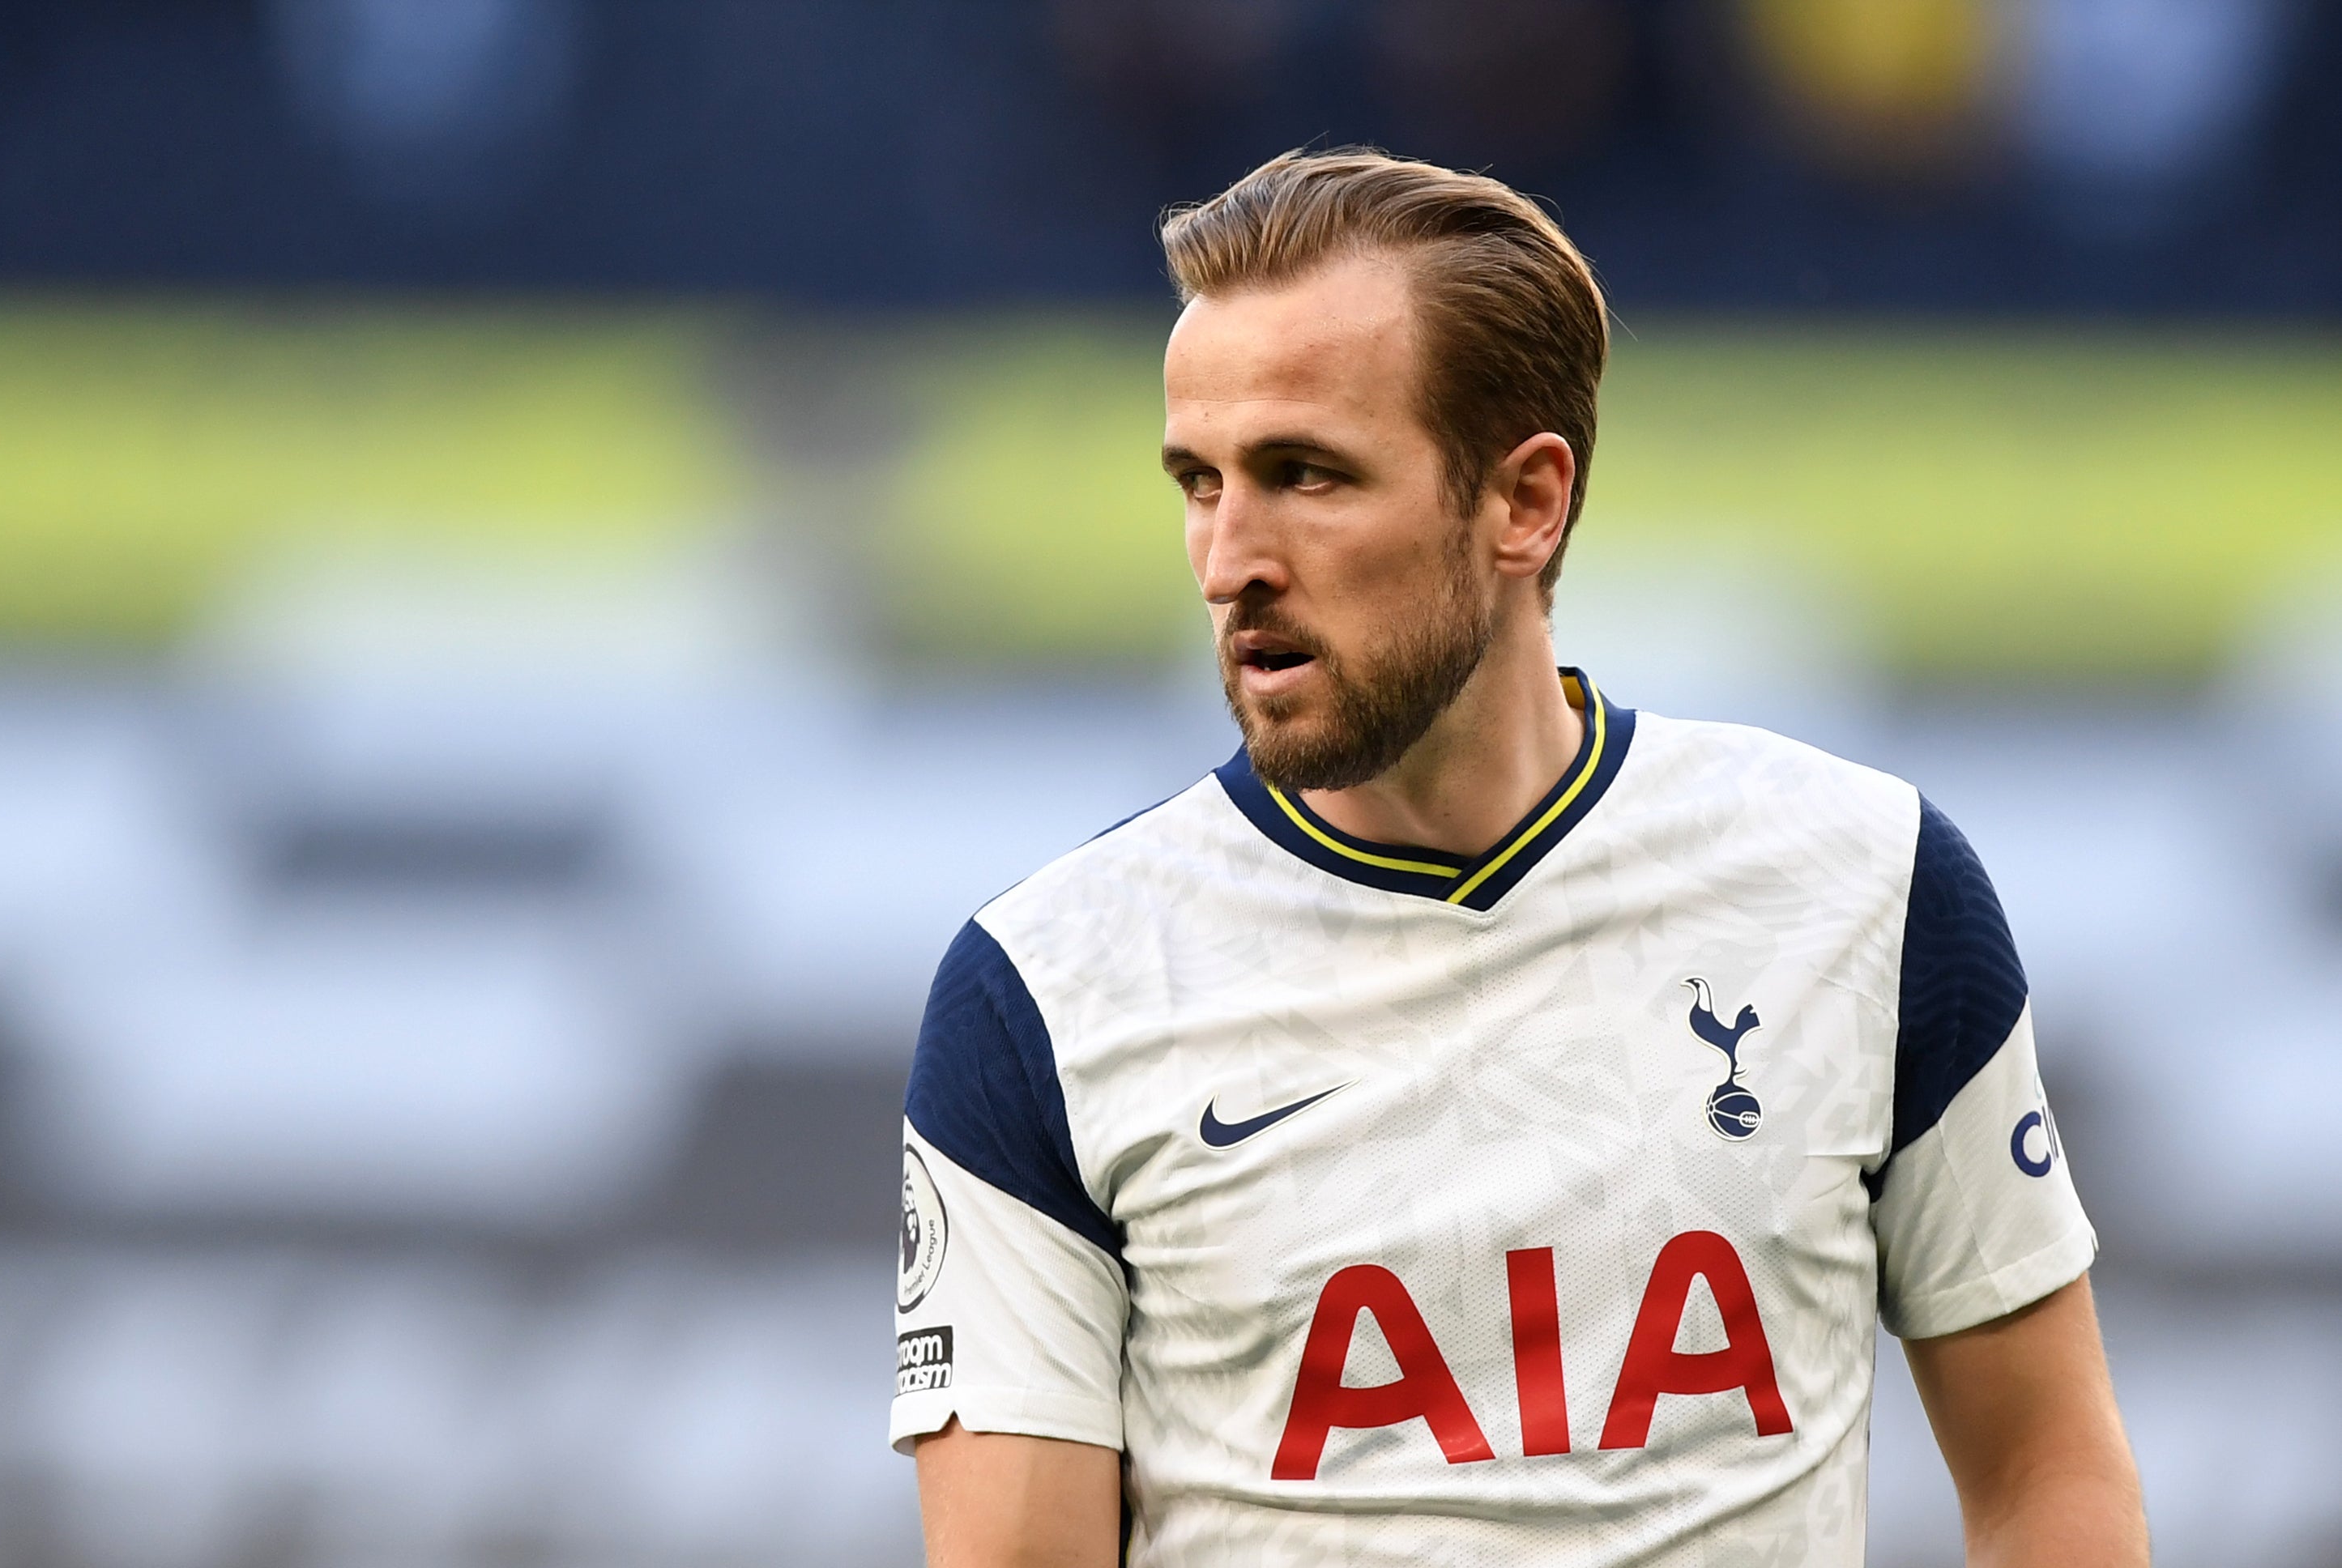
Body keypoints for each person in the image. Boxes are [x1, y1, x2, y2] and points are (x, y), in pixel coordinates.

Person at [890, 147, 2147, 1567]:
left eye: (1306, 476)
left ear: (1525, 504)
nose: (1229, 556)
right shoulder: (1047, 990)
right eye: (1201, 481)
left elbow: (2048, 1471)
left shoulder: (1871, 884)